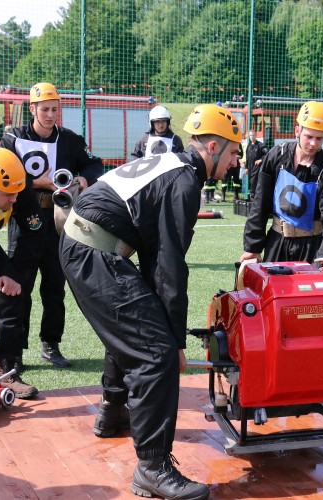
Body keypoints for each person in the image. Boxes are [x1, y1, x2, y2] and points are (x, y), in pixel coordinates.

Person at [59, 104, 241, 500]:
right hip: (94, 250)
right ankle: (153, 469)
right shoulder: (185, 182)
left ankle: (111, 412)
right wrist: (175, 340)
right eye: (232, 154)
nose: (234, 163)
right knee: (154, 350)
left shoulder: (170, 161)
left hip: (85, 243)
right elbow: (168, 266)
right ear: (213, 146)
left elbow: (154, 262)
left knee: (138, 325)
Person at [1, 82, 103, 369]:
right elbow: (0, 173)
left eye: (55, 109)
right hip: (25, 219)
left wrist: (83, 181)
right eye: (44, 109)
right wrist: (37, 183)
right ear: (32, 108)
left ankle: (51, 344)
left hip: (59, 220)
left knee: (55, 287)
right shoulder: (14, 138)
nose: (50, 114)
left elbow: (94, 164)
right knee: (19, 288)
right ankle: (14, 352)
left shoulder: (69, 139)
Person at [240, 101, 323, 264]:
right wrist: (252, 247)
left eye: (319, 138)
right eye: (309, 136)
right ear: (297, 130)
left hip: (312, 248)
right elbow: (260, 204)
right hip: (276, 243)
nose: (313, 143)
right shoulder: (276, 156)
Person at [0, 148, 43, 398]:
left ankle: (5, 373)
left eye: (17, 192)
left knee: (11, 300)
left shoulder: (19, 191)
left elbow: (33, 235)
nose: (14, 199)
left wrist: (13, 275)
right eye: (7, 195)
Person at [244, 129, 268, 199]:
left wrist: (260, 160)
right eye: (250, 135)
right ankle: (251, 196)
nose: (252, 137)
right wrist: (246, 167)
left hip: (257, 168)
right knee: (250, 183)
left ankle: (254, 197)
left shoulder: (260, 145)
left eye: (253, 135)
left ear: (256, 136)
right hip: (250, 168)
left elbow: (267, 154)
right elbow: (247, 158)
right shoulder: (249, 146)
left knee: (254, 182)